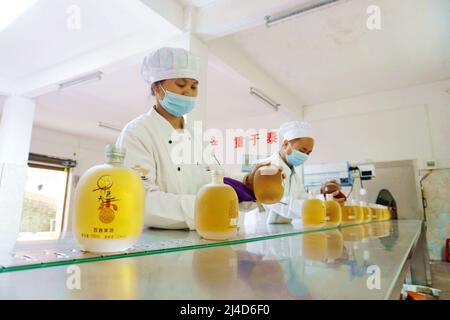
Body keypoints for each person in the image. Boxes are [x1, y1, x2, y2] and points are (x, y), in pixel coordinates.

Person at [117, 47, 216, 230]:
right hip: (155, 243)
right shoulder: (138, 132)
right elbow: (139, 199)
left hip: (202, 235)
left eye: (194, 86)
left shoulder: (197, 137)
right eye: (181, 84)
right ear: (156, 88)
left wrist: (248, 182)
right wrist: (207, 207)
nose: (188, 92)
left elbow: (217, 180)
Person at [243, 121, 345, 224]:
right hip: (260, 230)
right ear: (286, 144)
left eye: (308, 153)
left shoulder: (294, 175)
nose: (305, 156)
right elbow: (281, 203)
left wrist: (325, 197)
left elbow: (302, 197)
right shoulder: (266, 169)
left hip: (282, 229)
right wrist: (322, 204)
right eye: (302, 150)